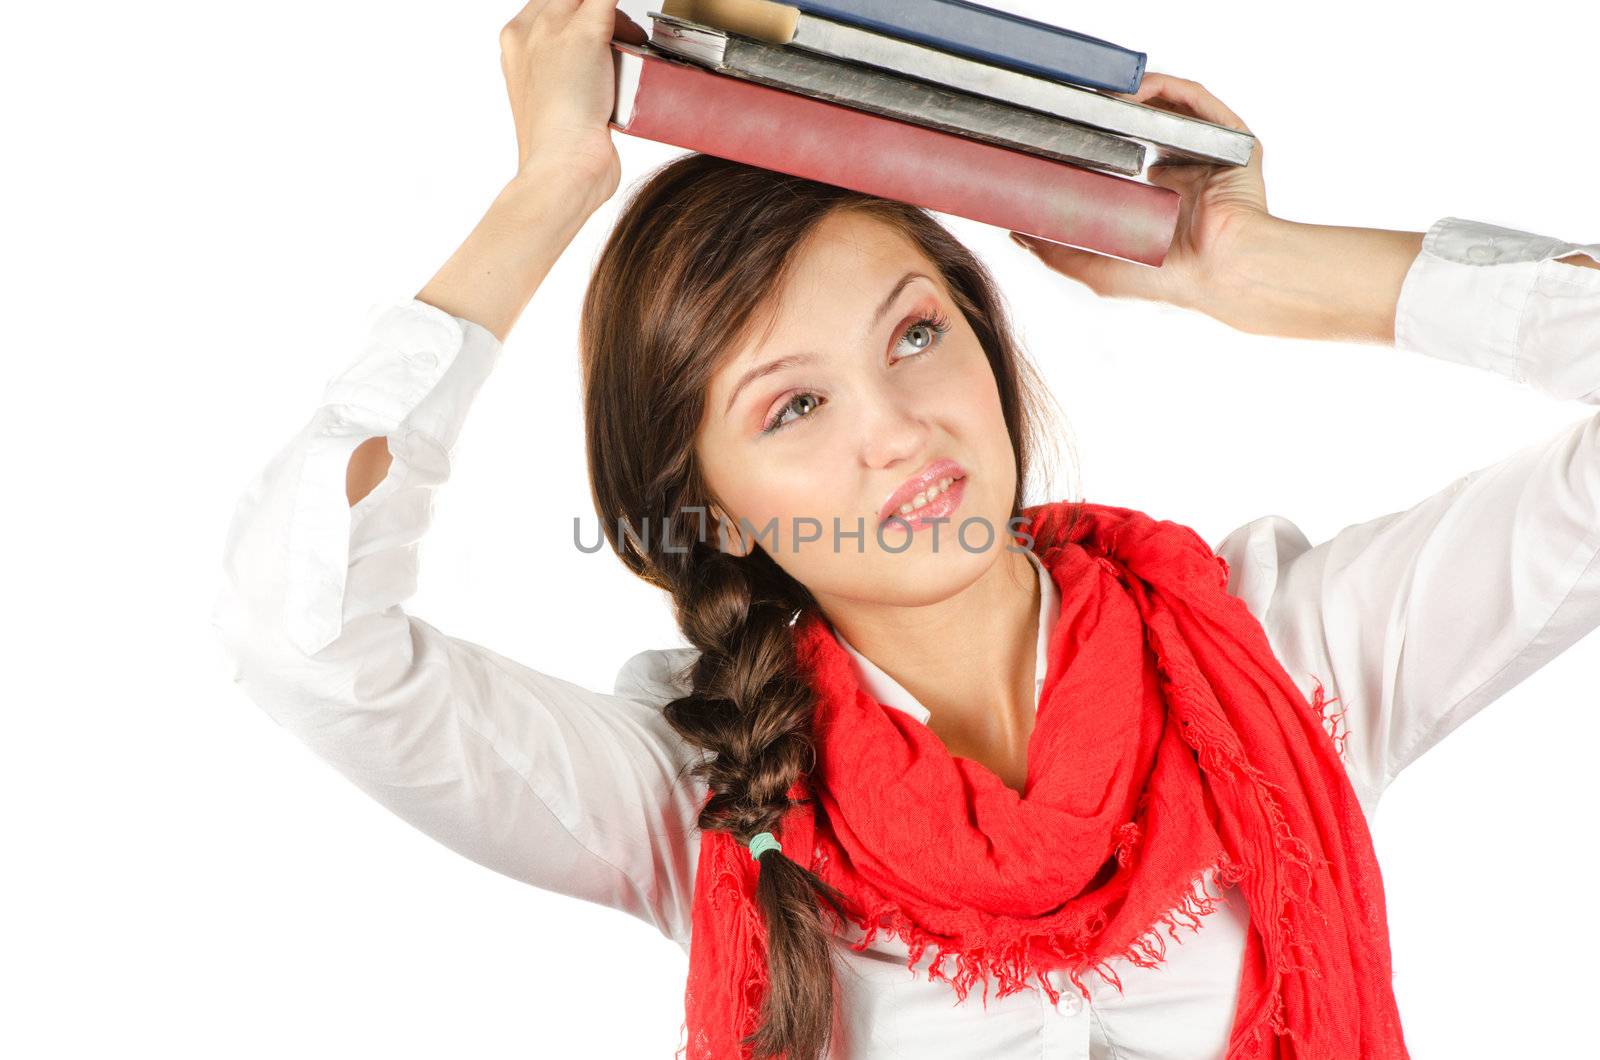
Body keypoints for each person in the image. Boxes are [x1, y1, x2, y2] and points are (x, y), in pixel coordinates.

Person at [209, 1, 1600, 1057]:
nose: (897, 429)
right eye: (793, 406)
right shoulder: (693, 795)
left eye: (917, 333)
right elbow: (306, 637)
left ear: (989, 349)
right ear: (716, 514)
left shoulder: (1290, 652)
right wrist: (545, 193)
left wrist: (1250, 267)